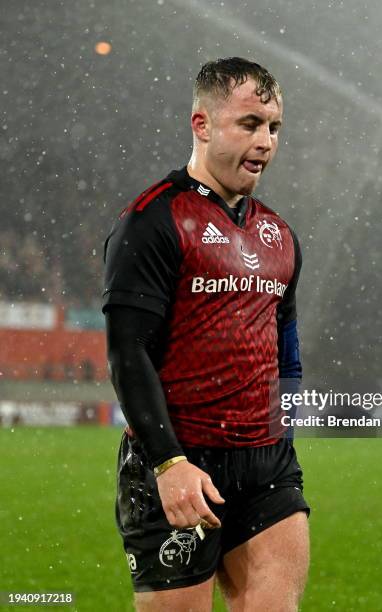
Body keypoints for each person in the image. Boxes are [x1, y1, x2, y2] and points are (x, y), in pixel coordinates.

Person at [102, 56, 310, 611]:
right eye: (249, 124)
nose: (265, 141)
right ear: (203, 124)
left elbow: (284, 347)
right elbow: (127, 354)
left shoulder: (280, 236)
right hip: (179, 459)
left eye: (273, 128)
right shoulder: (152, 220)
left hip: (266, 465)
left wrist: (281, 427)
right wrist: (168, 463)